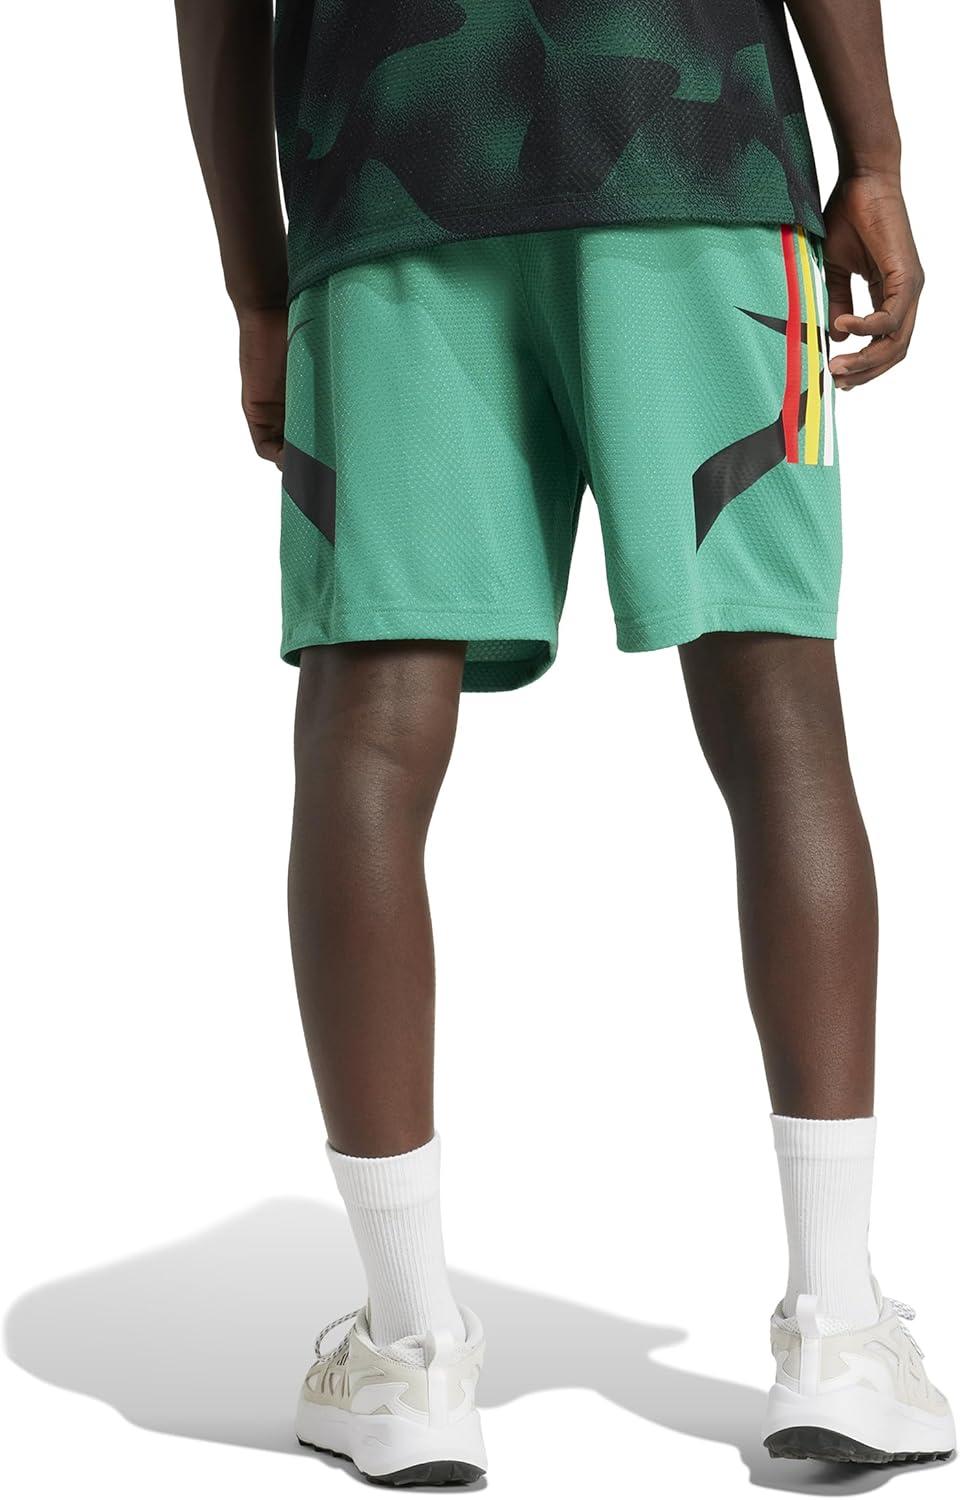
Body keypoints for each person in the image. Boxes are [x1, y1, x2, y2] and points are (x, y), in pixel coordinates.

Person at [175, 0, 953, 1484]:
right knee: (779, 714)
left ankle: (409, 1356)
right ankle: (843, 1335)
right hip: (703, 164)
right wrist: (874, 157)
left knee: (369, 735)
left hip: (388, 181)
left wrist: (258, 287)